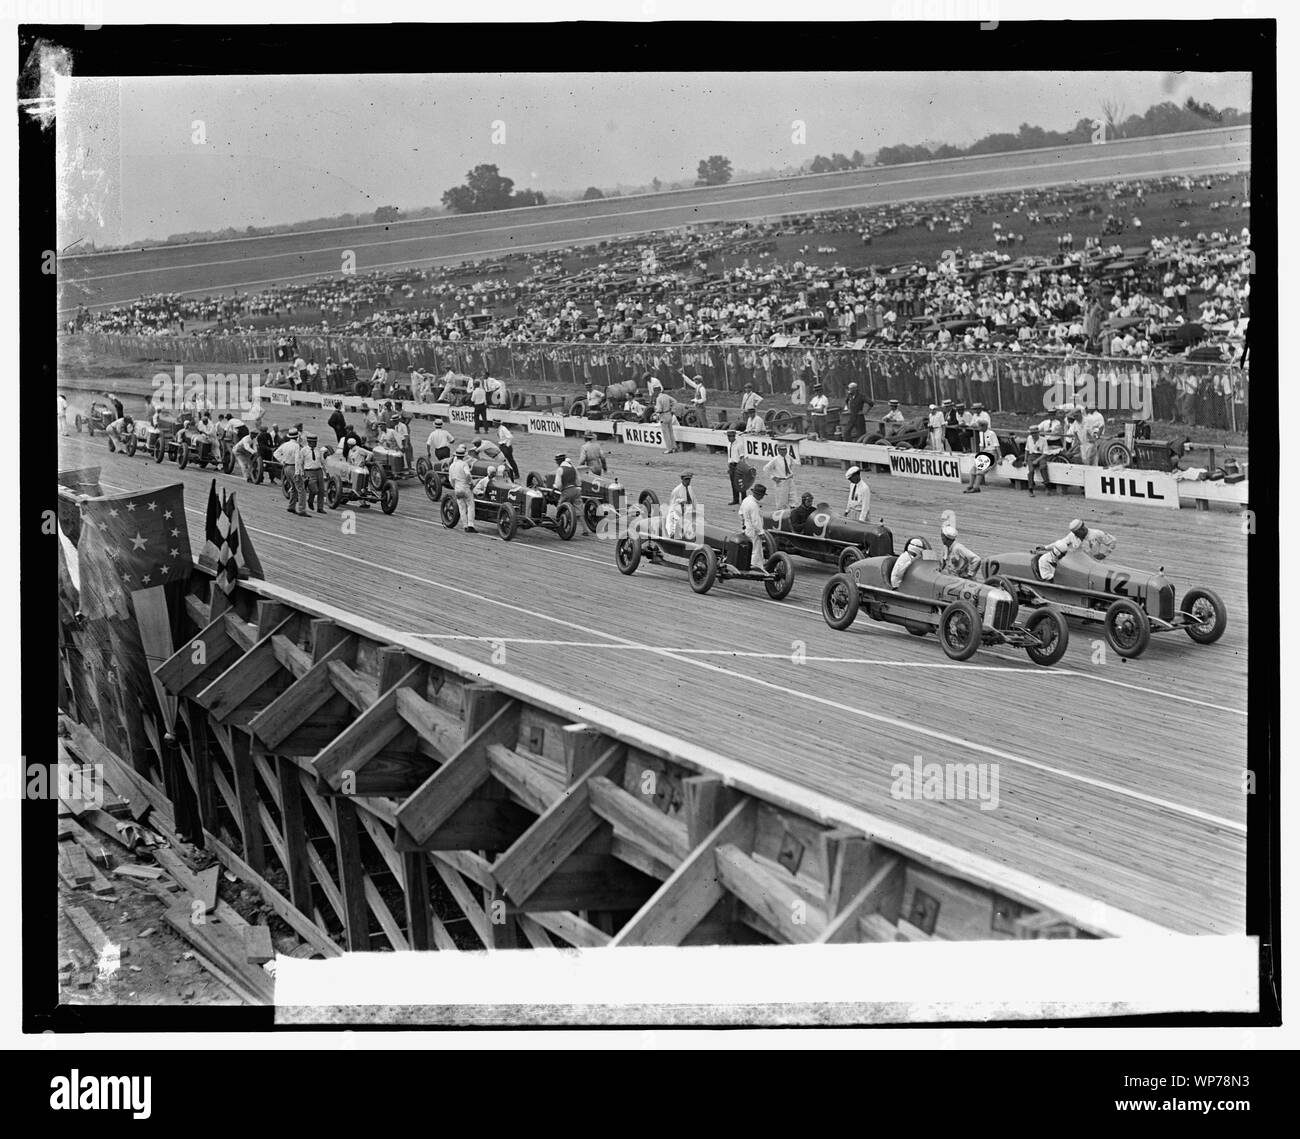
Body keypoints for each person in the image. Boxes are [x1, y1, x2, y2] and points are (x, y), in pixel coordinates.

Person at [448, 444, 477, 532]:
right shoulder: (464, 464)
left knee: (462, 507)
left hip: (457, 488)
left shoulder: (452, 466)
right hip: (465, 487)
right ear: (463, 456)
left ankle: (465, 526)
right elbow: (468, 474)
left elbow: (451, 479)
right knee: (470, 506)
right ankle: (470, 525)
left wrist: (455, 486)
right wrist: (470, 483)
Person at [274, 428, 303, 514]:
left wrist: (282, 461)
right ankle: (302, 509)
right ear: (297, 437)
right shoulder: (297, 446)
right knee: (301, 490)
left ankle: (291, 506)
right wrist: (298, 472)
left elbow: (275, 453)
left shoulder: (285, 444)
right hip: (293, 467)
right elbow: (297, 459)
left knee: (294, 488)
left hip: (286, 468)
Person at [739, 483, 768, 570]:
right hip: (753, 530)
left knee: (748, 547)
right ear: (759, 495)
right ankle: (755, 567)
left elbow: (740, 513)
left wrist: (743, 523)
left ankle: (746, 564)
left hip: (745, 527)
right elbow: (756, 521)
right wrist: (761, 532)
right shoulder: (753, 505)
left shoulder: (746, 500)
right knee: (756, 549)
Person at [763, 442, 799, 509]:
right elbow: (766, 468)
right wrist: (773, 477)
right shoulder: (775, 460)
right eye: (782, 449)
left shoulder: (789, 458)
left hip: (789, 480)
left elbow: (793, 465)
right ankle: (781, 514)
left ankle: (793, 513)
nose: (784, 451)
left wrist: (791, 473)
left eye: (785, 449)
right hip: (781, 481)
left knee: (793, 497)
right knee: (781, 500)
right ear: (778, 450)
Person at [298, 431, 326, 514]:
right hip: (309, 472)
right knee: (314, 490)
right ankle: (310, 500)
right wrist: (302, 473)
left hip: (319, 471)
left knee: (321, 490)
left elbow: (322, 461)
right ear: (309, 442)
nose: (315, 444)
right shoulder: (303, 451)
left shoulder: (318, 450)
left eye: (316, 442)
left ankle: (320, 508)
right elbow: (300, 463)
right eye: (313, 442)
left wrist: (326, 471)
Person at [1022, 424, 1052, 496]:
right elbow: (1026, 449)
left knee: (1043, 467)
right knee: (1031, 471)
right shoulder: (1029, 438)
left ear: (1038, 433)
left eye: (1034, 433)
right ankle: (1030, 489)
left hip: (1041, 456)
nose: (1033, 435)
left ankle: (1047, 487)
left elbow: (1045, 453)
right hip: (1032, 455)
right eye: (1032, 433)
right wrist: (1025, 460)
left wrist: (1037, 460)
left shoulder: (1043, 440)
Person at [667, 472, 698, 540]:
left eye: (689, 479)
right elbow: (672, 507)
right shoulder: (676, 491)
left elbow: (694, 501)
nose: (688, 481)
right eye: (686, 479)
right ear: (682, 479)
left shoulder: (690, 488)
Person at [725, 428, 745, 504]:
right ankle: (735, 499)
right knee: (733, 483)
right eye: (728, 436)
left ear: (734, 436)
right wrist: (729, 465)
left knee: (740, 483)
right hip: (731, 465)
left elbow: (742, 457)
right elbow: (730, 456)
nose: (729, 438)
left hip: (737, 465)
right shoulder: (729, 444)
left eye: (731, 436)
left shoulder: (739, 445)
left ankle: (744, 499)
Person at [655, 388, 678, 454]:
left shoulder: (658, 398)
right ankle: (674, 447)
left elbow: (659, 409)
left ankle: (669, 448)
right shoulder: (666, 396)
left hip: (663, 415)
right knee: (671, 431)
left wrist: (655, 410)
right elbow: (675, 401)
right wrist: (673, 410)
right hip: (669, 414)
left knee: (666, 433)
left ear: (657, 391)